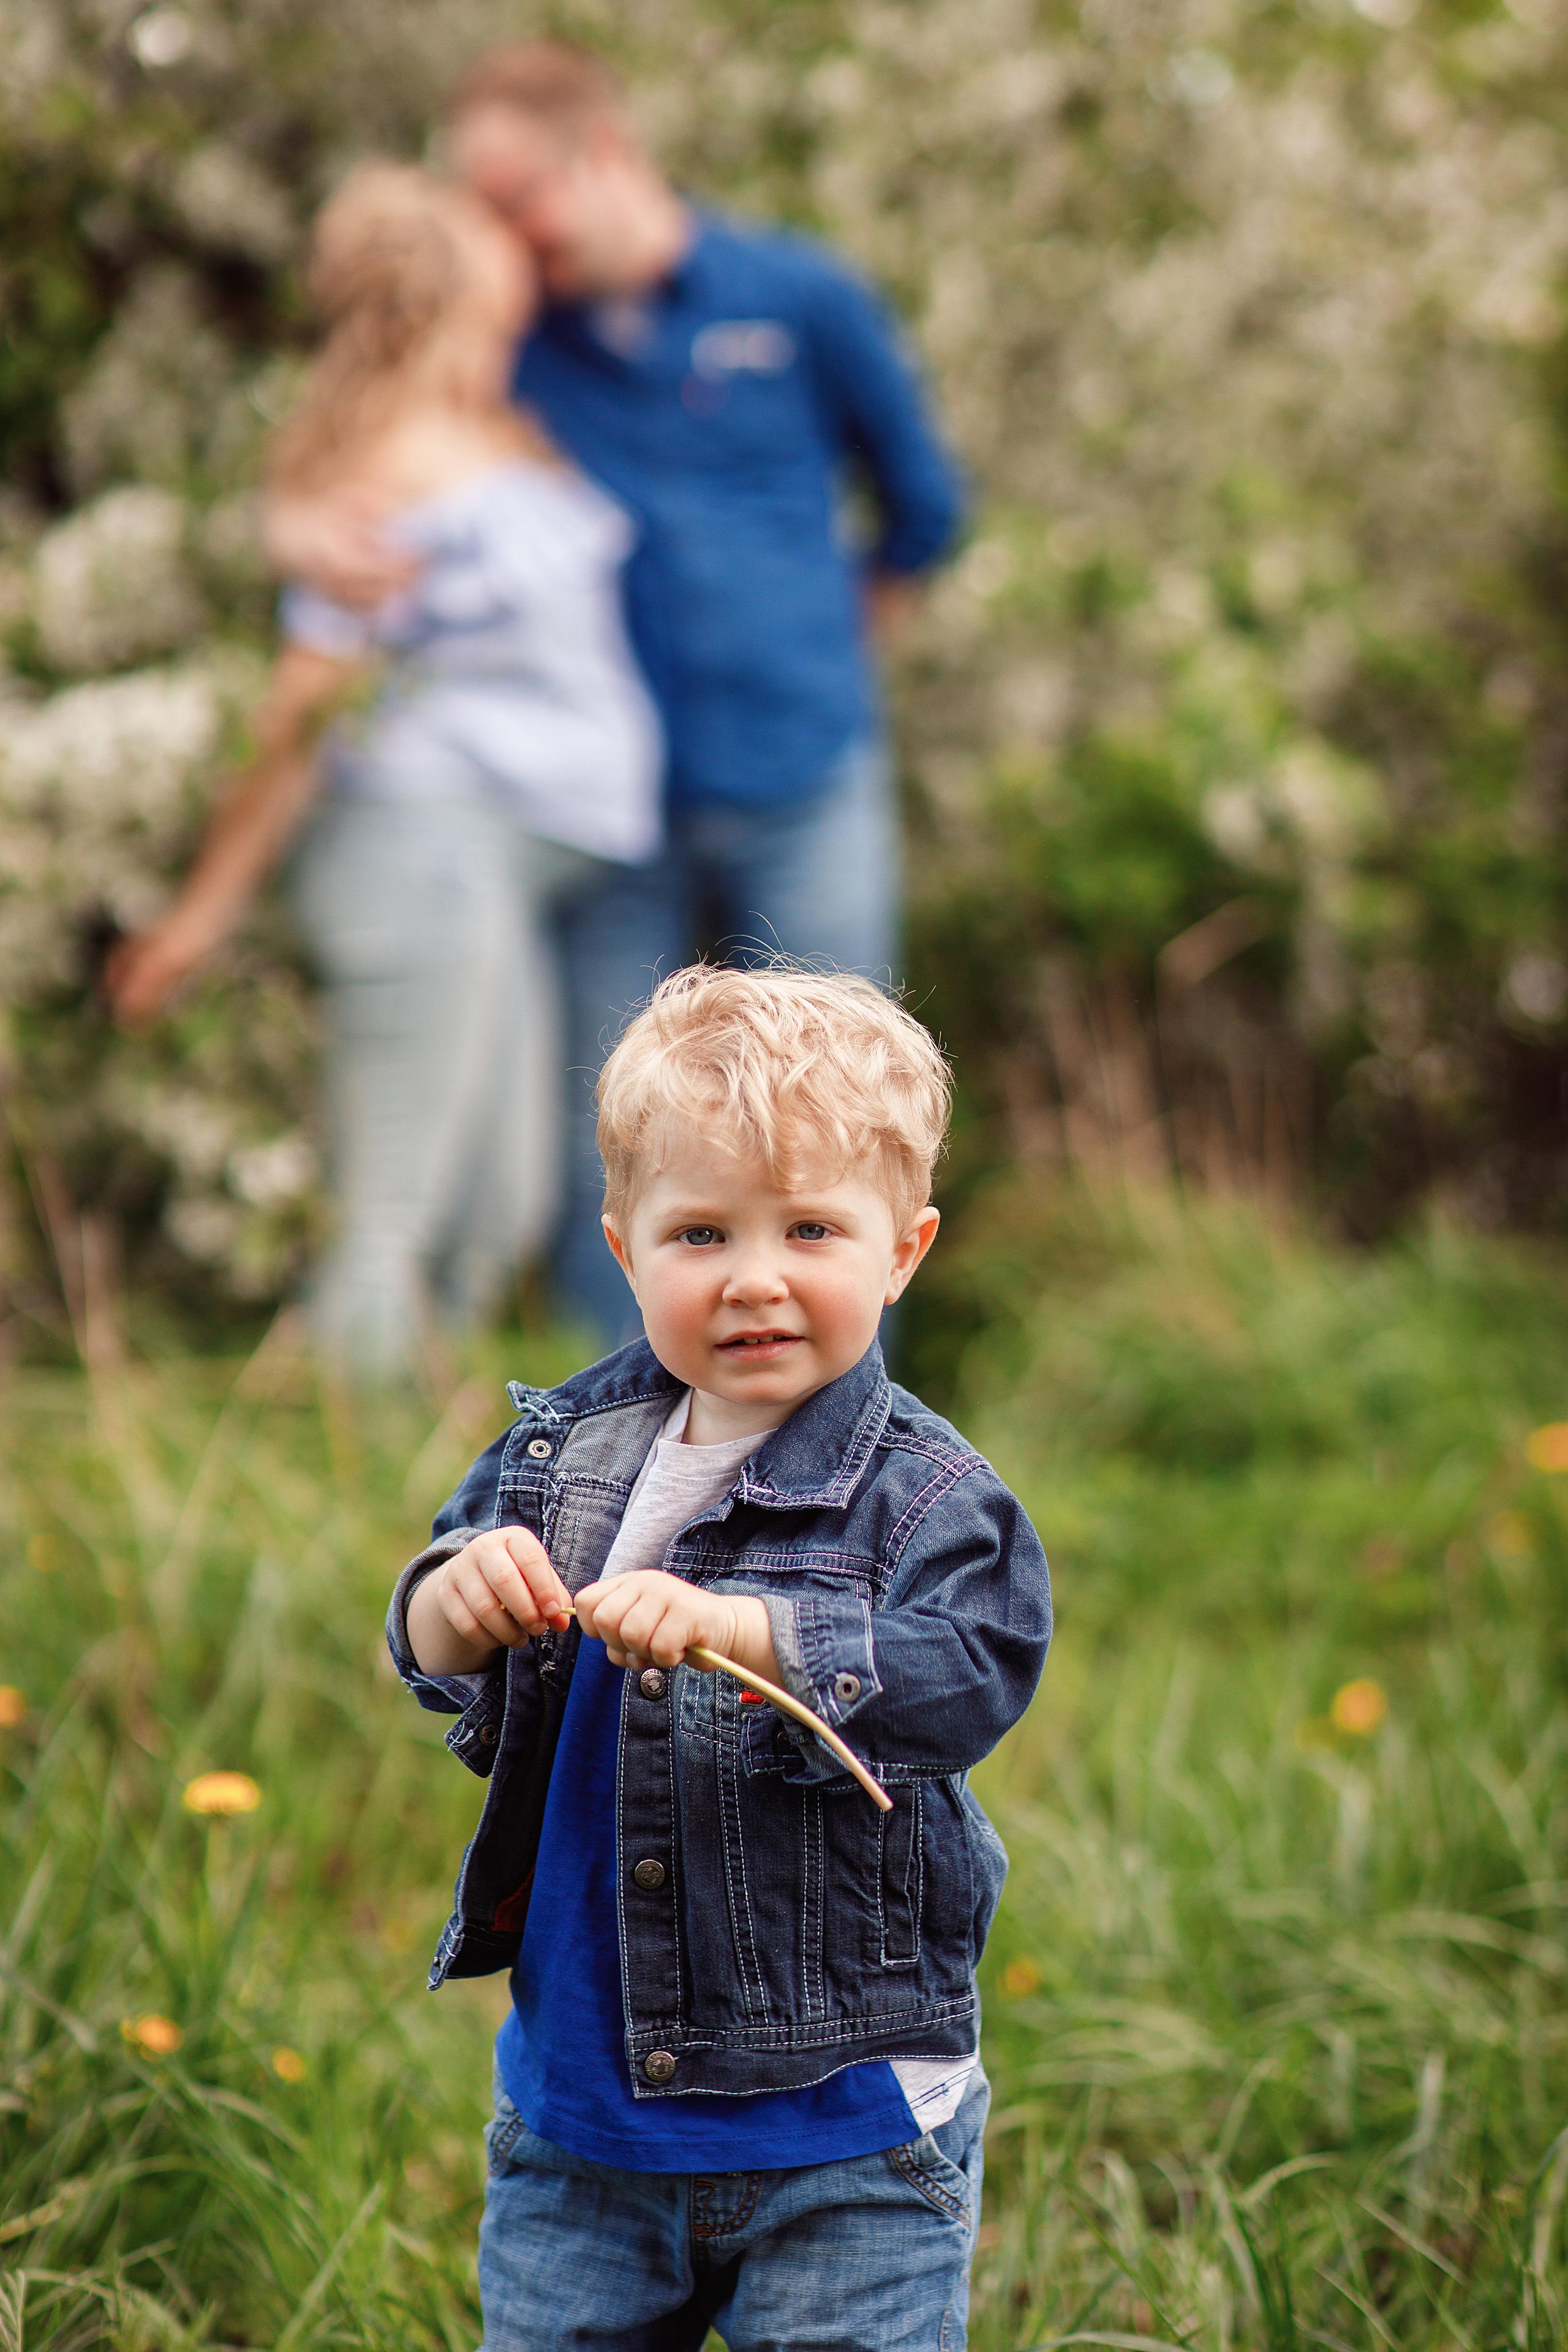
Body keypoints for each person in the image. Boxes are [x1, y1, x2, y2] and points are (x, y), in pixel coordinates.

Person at [386, 965, 1051, 2350]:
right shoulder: (564, 1453)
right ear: (626, 1250)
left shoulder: (925, 1495)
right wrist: (461, 1595)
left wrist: (754, 1630)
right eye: (700, 1233)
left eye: (811, 1227)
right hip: (585, 2116)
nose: (755, 1278)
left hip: (845, 2128)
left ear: (904, 1249)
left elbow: (972, 1664)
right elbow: (431, 1635)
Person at [266, 40, 967, 1343]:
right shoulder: (525, 344)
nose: (504, 239)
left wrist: (825, 651)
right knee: (635, 1139)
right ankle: (623, 1455)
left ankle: (853, 1469)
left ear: (601, 153)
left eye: (517, 200)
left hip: (805, 783)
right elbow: (378, 428)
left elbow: (923, 509)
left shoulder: (797, 294)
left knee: (843, 1126)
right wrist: (295, 525)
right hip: (616, 825)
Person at [108, 164, 661, 1377]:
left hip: (496, 867)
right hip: (420, 844)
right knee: (396, 1214)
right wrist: (204, 911)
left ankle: (407, 1468)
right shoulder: (383, 460)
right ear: (446, 272)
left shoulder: (495, 422)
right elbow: (304, 703)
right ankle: (336, 1485)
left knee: (499, 1205)